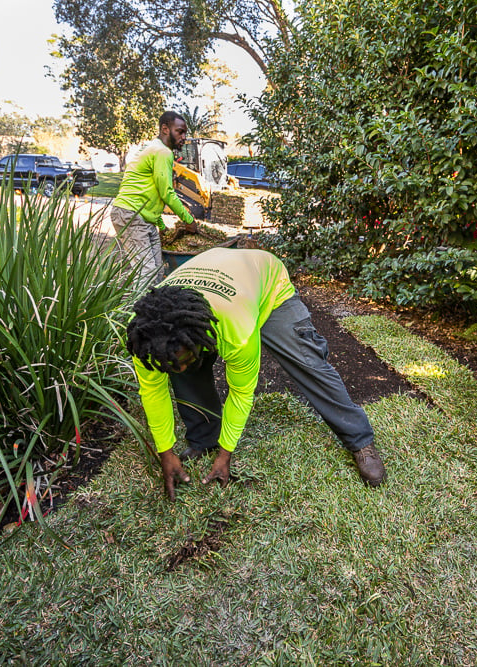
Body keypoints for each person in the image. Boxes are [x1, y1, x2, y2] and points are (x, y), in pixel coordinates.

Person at [126, 247, 387, 499]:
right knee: (183, 367)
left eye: (182, 358)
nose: (176, 368)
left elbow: (240, 393)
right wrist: (165, 451)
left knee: (308, 362)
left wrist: (226, 454)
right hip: (212, 273)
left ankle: (360, 441)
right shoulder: (147, 334)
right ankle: (204, 439)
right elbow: (152, 390)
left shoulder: (235, 328)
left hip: (265, 282)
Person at [110, 111, 197, 286]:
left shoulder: (154, 148)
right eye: (180, 131)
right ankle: (133, 312)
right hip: (131, 214)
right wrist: (188, 220)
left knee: (157, 270)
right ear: (165, 129)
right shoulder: (162, 152)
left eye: (185, 133)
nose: (184, 137)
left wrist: (162, 226)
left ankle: (152, 309)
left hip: (142, 217)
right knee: (147, 272)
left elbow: (150, 193)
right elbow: (166, 192)